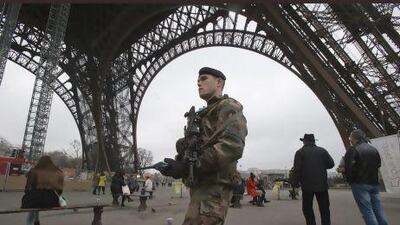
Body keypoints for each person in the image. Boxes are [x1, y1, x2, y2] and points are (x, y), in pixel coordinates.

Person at [160, 67, 248, 225]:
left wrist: (186, 167)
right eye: (198, 80)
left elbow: (232, 146)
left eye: (204, 78)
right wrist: (180, 161)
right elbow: (201, 147)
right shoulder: (206, 112)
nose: (199, 83)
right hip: (204, 188)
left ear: (219, 82)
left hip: (213, 190)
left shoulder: (228, 106)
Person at [344, 129, 388, 225]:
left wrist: (351, 181)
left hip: (360, 184)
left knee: (367, 211)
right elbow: (378, 164)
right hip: (374, 183)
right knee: (378, 210)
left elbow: (349, 169)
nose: (350, 139)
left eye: (350, 137)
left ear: (354, 138)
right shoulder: (373, 149)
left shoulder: (353, 150)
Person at [291, 133, 334, 225]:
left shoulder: (300, 152)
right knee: (324, 208)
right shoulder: (322, 151)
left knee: (307, 208)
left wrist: (295, 184)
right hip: (322, 185)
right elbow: (331, 164)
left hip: (307, 186)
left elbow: (297, 169)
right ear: (314, 141)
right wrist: (321, 166)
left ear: (304, 141)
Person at [21, 155, 64, 225]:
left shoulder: (33, 171)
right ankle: (37, 221)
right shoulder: (57, 172)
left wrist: (29, 194)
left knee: (33, 202)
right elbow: (59, 190)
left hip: (33, 198)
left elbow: (27, 188)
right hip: (49, 200)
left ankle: (32, 222)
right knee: (38, 200)